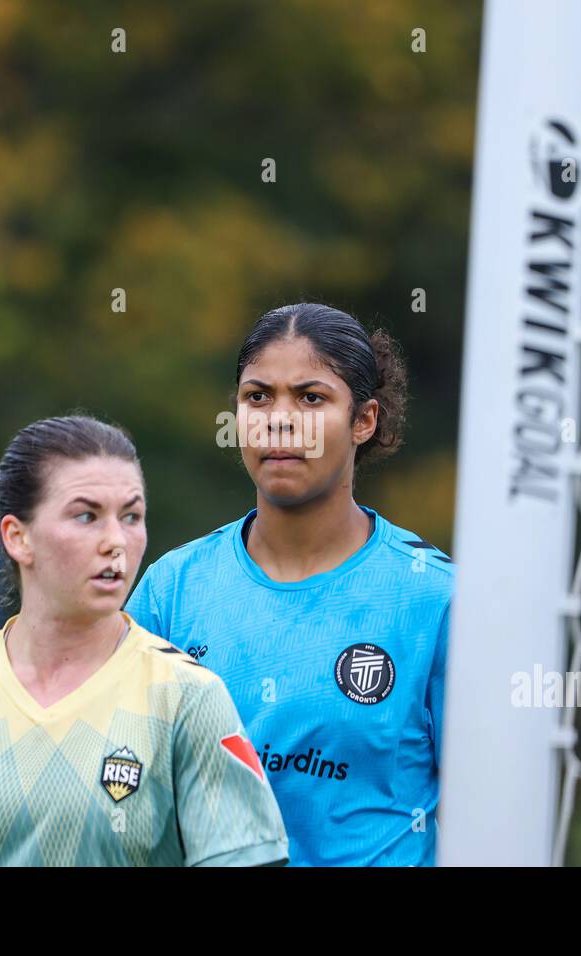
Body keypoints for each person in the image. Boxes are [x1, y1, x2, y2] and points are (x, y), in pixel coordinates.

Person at [0, 415, 288, 866]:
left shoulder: (188, 698)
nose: (116, 542)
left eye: (132, 516)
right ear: (17, 537)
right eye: (86, 516)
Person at [127, 303, 454, 866]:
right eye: (258, 396)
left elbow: (492, 810)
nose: (280, 419)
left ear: (364, 420)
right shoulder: (171, 589)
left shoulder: (435, 597)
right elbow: (121, 786)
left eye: (311, 397)